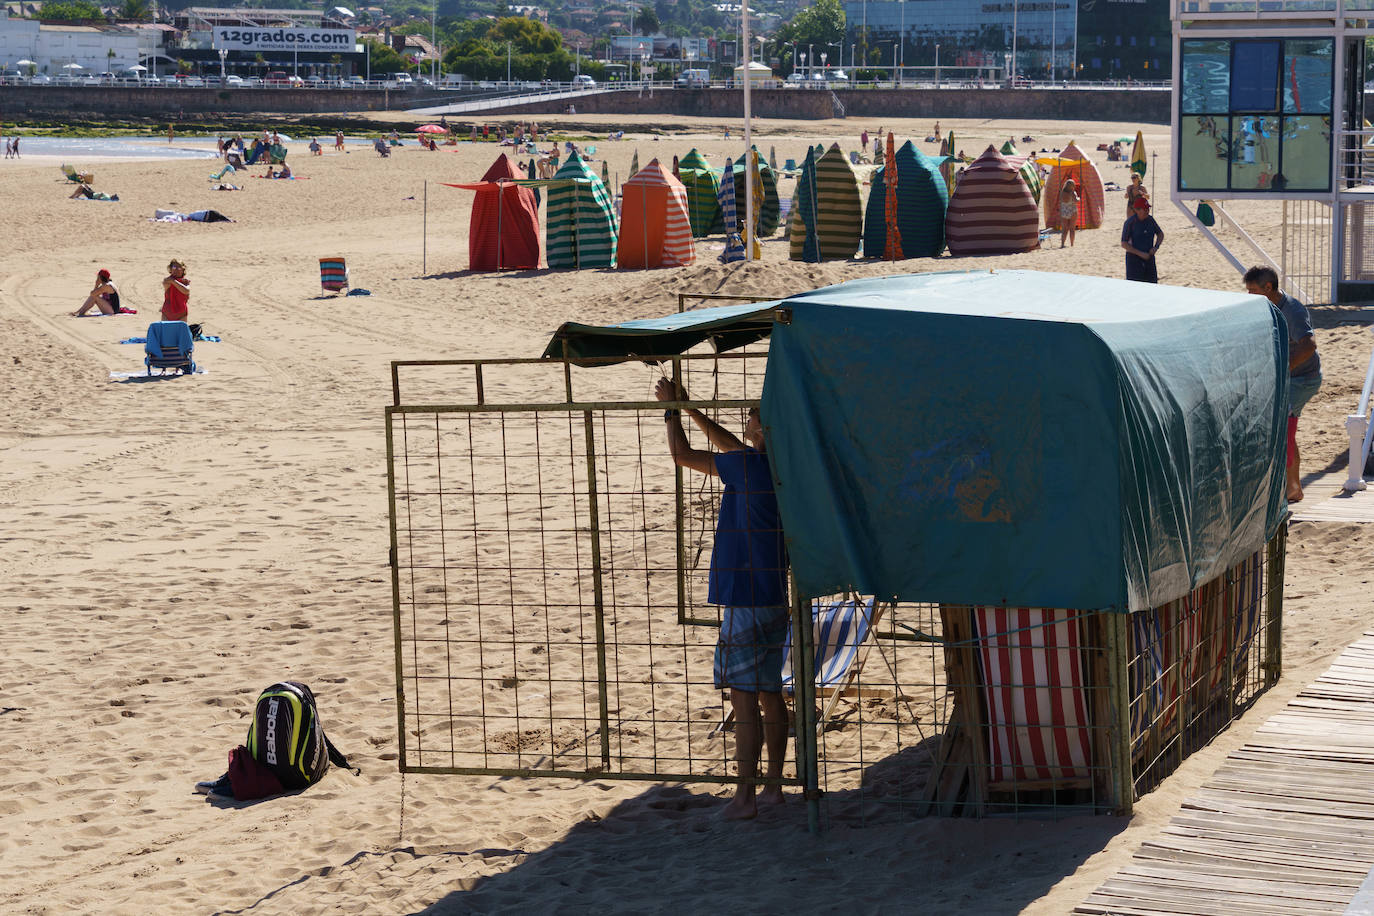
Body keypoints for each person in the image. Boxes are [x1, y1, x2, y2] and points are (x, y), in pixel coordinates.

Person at [654, 378, 788, 820]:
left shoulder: (749, 468)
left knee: (743, 698)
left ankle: (744, 798)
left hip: (746, 597)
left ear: (763, 429)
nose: (746, 419)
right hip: (771, 592)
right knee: (769, 693)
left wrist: (671, 412)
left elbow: (682, 456)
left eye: (752, 416)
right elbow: (733, 448)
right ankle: (772, 788)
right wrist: (690, 409)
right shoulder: (779, 467)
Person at [1244, 266, 1322, 503]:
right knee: (1285, 431)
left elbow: (1309, 345)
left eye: (1253, 290)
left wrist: (1282, 369)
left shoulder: (1293, 310)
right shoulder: (1267, 306)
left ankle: (1292, 488)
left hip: (1302, 380)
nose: (1249, 295)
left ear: (1268, 288)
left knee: (1283, 430)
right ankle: (1292, 487)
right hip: (1288, 378)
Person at [1121, 197, 1163, 283]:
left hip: (1149, 258)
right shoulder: (1130, 222)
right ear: (1137, 210)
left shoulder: (1150, 220)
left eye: (1148, 209)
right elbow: (1124, 244)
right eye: (1145, 209)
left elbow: (1160, 234)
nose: (1147, 211)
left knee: (1152, 286)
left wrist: (1156, 247)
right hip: (1134, 260)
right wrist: (1140, 254)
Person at [1058, 177, 1080, 248]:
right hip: (1072, 211)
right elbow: (1076, 200)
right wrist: (1079, 198)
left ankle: (1062, 244)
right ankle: (1072, 244)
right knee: (1072, 229)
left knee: (1064, 229)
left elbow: (1060, 202)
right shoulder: (1073, 193)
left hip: (1064, 211)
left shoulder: (1062, 193)